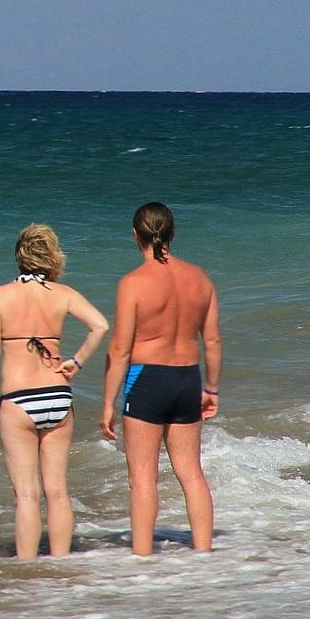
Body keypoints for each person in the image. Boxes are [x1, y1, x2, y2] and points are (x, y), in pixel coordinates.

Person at [0, 223, 110, 559]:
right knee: (58, 492)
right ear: (51, 255)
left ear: (19, 256)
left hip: (19, 399)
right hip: (58, 395)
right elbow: (100, 325)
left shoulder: (0, 296)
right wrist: (76, 362)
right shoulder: (62, 294)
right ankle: (61, 567)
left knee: (26, 494)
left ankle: (28, 570)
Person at [100, 201, 221, 555]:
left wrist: (107, 403)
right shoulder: (200, 278)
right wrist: (211, 387)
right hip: (187, 378)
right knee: (191, 473)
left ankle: (143, 560)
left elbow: (119, 350)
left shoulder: (133, 283)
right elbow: (211, 340)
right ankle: (204, 553)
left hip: (146, 380)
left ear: (135, 235)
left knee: (142, 478)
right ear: (173, 233)